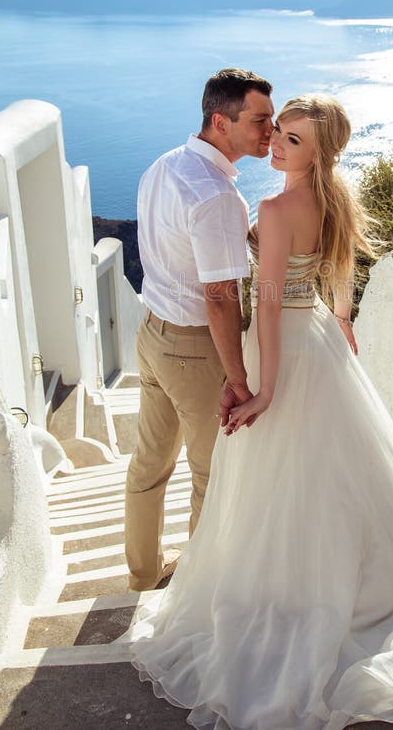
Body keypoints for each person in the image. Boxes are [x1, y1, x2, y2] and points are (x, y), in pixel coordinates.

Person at [129, 94, 393, 724]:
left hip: (281, 346)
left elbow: (264, 305)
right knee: (335, 473)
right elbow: (338, 272)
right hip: (319, 337)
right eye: (279, 133)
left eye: (292, 140)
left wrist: (262, 389)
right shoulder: (336, 198)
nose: (277, 145)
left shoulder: (272, 207)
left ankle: (287, 591)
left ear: (316, 152)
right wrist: (342, 320)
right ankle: (344, 582)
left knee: (279, 479)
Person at [124, 68, 274, 592]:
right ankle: (198, 595)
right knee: (212, 477)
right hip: (192, 350)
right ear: (220, 120)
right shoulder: (217, 198)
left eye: (273, 121)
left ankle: (144, 576)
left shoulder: (165, 165)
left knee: (149, 463)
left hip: (151, 335)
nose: (270, 132)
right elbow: (219, 298)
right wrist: (237, 378)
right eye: (259, 121)